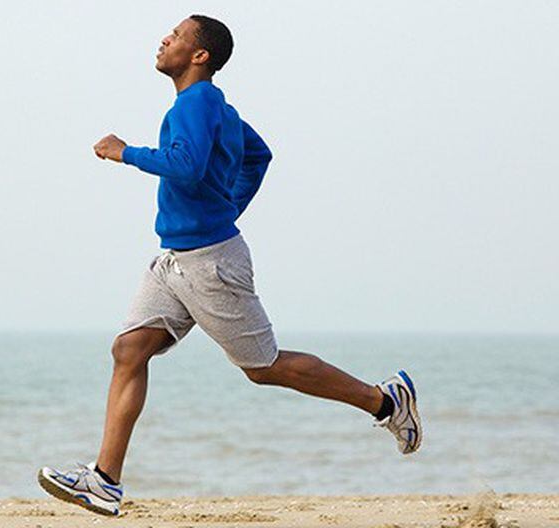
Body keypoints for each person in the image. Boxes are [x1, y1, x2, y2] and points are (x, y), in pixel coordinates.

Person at [37, 14, 421, 517]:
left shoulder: (197, 102)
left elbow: (187, 165)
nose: (164, 39)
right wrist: (227, 205)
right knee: (129, 350)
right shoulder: (212, 105)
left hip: (210, 263)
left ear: (200, 56)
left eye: (175, 36)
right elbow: (258, 155)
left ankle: (386, 402)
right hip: (176, 258)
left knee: (263, 367)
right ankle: (104, 481)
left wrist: (124, 152)